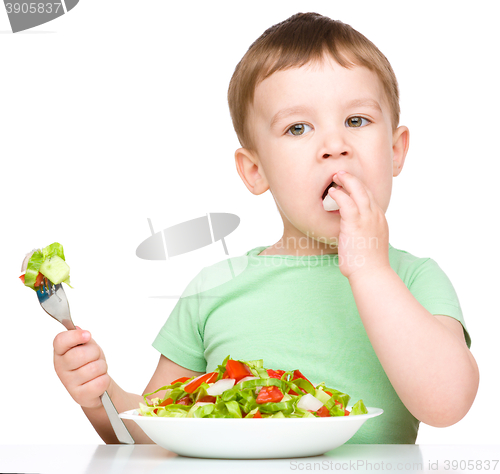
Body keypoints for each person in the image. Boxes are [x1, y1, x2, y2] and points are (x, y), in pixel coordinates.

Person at [53, 12, 479, 444]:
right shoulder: (214, 289)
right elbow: (156, 432)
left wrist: (371, 268)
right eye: (298, 128)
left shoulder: (413, 279)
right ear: (255, 170)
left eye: (356, 121)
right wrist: (99, 396)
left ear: (395, 151)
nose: (335, 146)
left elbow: (447, 404)